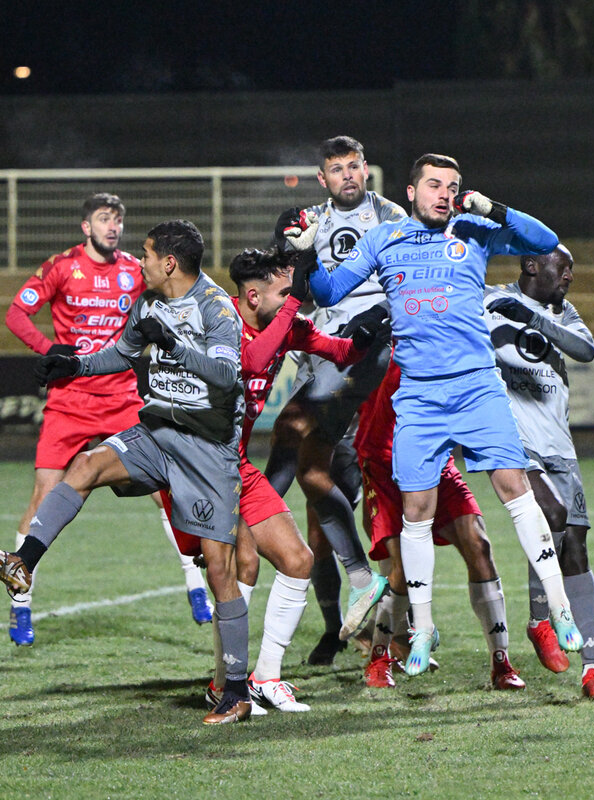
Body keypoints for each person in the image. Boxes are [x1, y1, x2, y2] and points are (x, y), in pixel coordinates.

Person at [305, 153, 582, 677]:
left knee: (513, 488)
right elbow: (327, 291)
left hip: (477, 388)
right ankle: (423, 627)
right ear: (411, 192)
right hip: (420, 397)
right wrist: (306, 258)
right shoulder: (384, 238)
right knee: (416, 511)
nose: (445, 194)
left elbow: (545, 240)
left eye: (452, 186)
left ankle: (559, 607)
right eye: (434, 185)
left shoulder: (473, 230)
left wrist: (494, 209)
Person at [0, 220, 253, 725]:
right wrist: (74, 366)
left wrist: (173, 345)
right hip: (157, 432)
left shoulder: (215, 307)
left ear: (169, 262)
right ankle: (23, 562)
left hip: (208, 449)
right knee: (84, 465)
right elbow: (122, 353)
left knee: (220, 571)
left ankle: (236, 692)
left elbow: (227, 375)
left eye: (146, 254)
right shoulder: (147, 302)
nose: (139, 262)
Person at [164, 246, 388, 713]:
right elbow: (249, 361)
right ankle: (226, 683)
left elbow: (338, 351)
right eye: (287, 292)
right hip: (193, 464)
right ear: (253, 296)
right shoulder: (217, 318)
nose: (295, 299)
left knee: (296, 559)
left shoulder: (285, 323)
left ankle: (263, 677)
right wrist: (290, 309)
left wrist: (364, 338)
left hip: (235, 467)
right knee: (239, 566)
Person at [2, 193, 211, 647]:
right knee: (44, 495)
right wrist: (49, 350)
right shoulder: (61, 267)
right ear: (86, 227)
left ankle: (195, 583)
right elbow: (16, 313)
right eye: (103, 219)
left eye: (117, 219)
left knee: (164, 488)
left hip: (121, 396)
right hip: (70, 398)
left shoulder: (135, 269)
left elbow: (176, 297)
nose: (113, 226)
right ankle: (21, 602)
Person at [266, 135, 405, 666]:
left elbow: (407, 283)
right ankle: (335, 628)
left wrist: (383, 320)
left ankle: (402, 629)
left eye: (353, 166)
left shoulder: (392, 216)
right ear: (322, 178)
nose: (347, 175)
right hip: (327, 362)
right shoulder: (311, 222)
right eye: (336, 168)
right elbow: (293, 285)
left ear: (366, 169)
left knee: (385, 509)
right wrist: (287, 244)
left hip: (372, 367)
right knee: (318, 496)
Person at [485, 244, 594, 700]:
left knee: (575, 548)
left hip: (559, 444)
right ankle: (542, 620)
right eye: (563, 267)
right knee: (550, 514)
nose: (569, 276)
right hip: (514, 439)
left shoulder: (564, 312)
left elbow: (586, 350)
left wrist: (532, 317)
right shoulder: (490, 299)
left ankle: (593, 669)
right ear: (531, 265)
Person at [354, 355, 524, 690]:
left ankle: (500, 662)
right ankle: (379, 657)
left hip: (434, 457)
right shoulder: (395, 333)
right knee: (402, 568)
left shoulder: (459, 341)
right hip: (384, 462)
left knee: (478, 545)